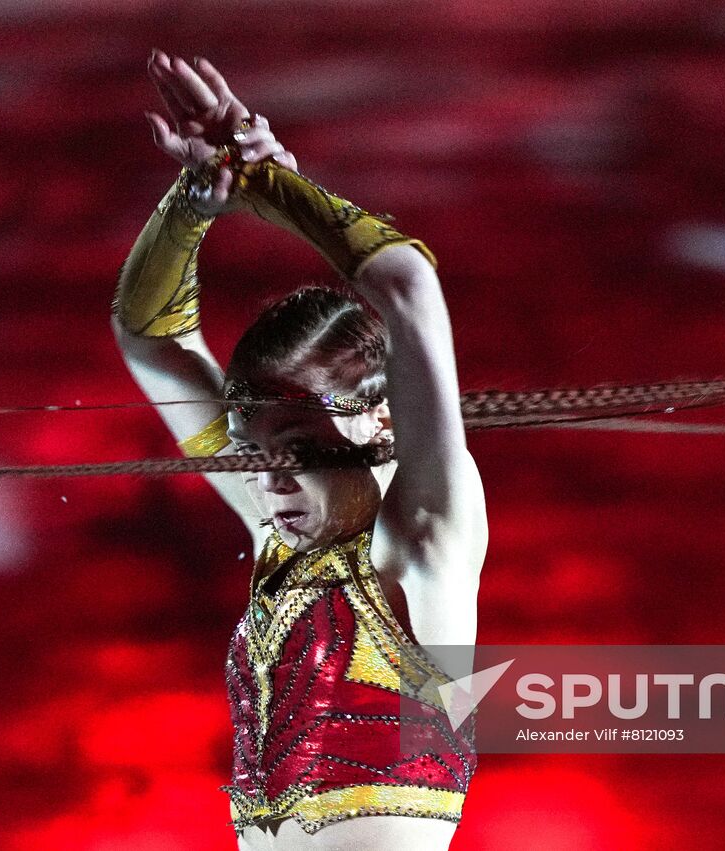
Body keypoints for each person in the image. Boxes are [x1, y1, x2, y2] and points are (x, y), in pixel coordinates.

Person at [111, 51, 488, 850]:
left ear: (377, 421)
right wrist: (194, 202)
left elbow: (410, 287)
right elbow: (150, 337)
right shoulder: (273, 522)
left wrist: (267, 180)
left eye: (299, 445)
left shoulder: (422, 539)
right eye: (252, 448)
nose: (268, 475)